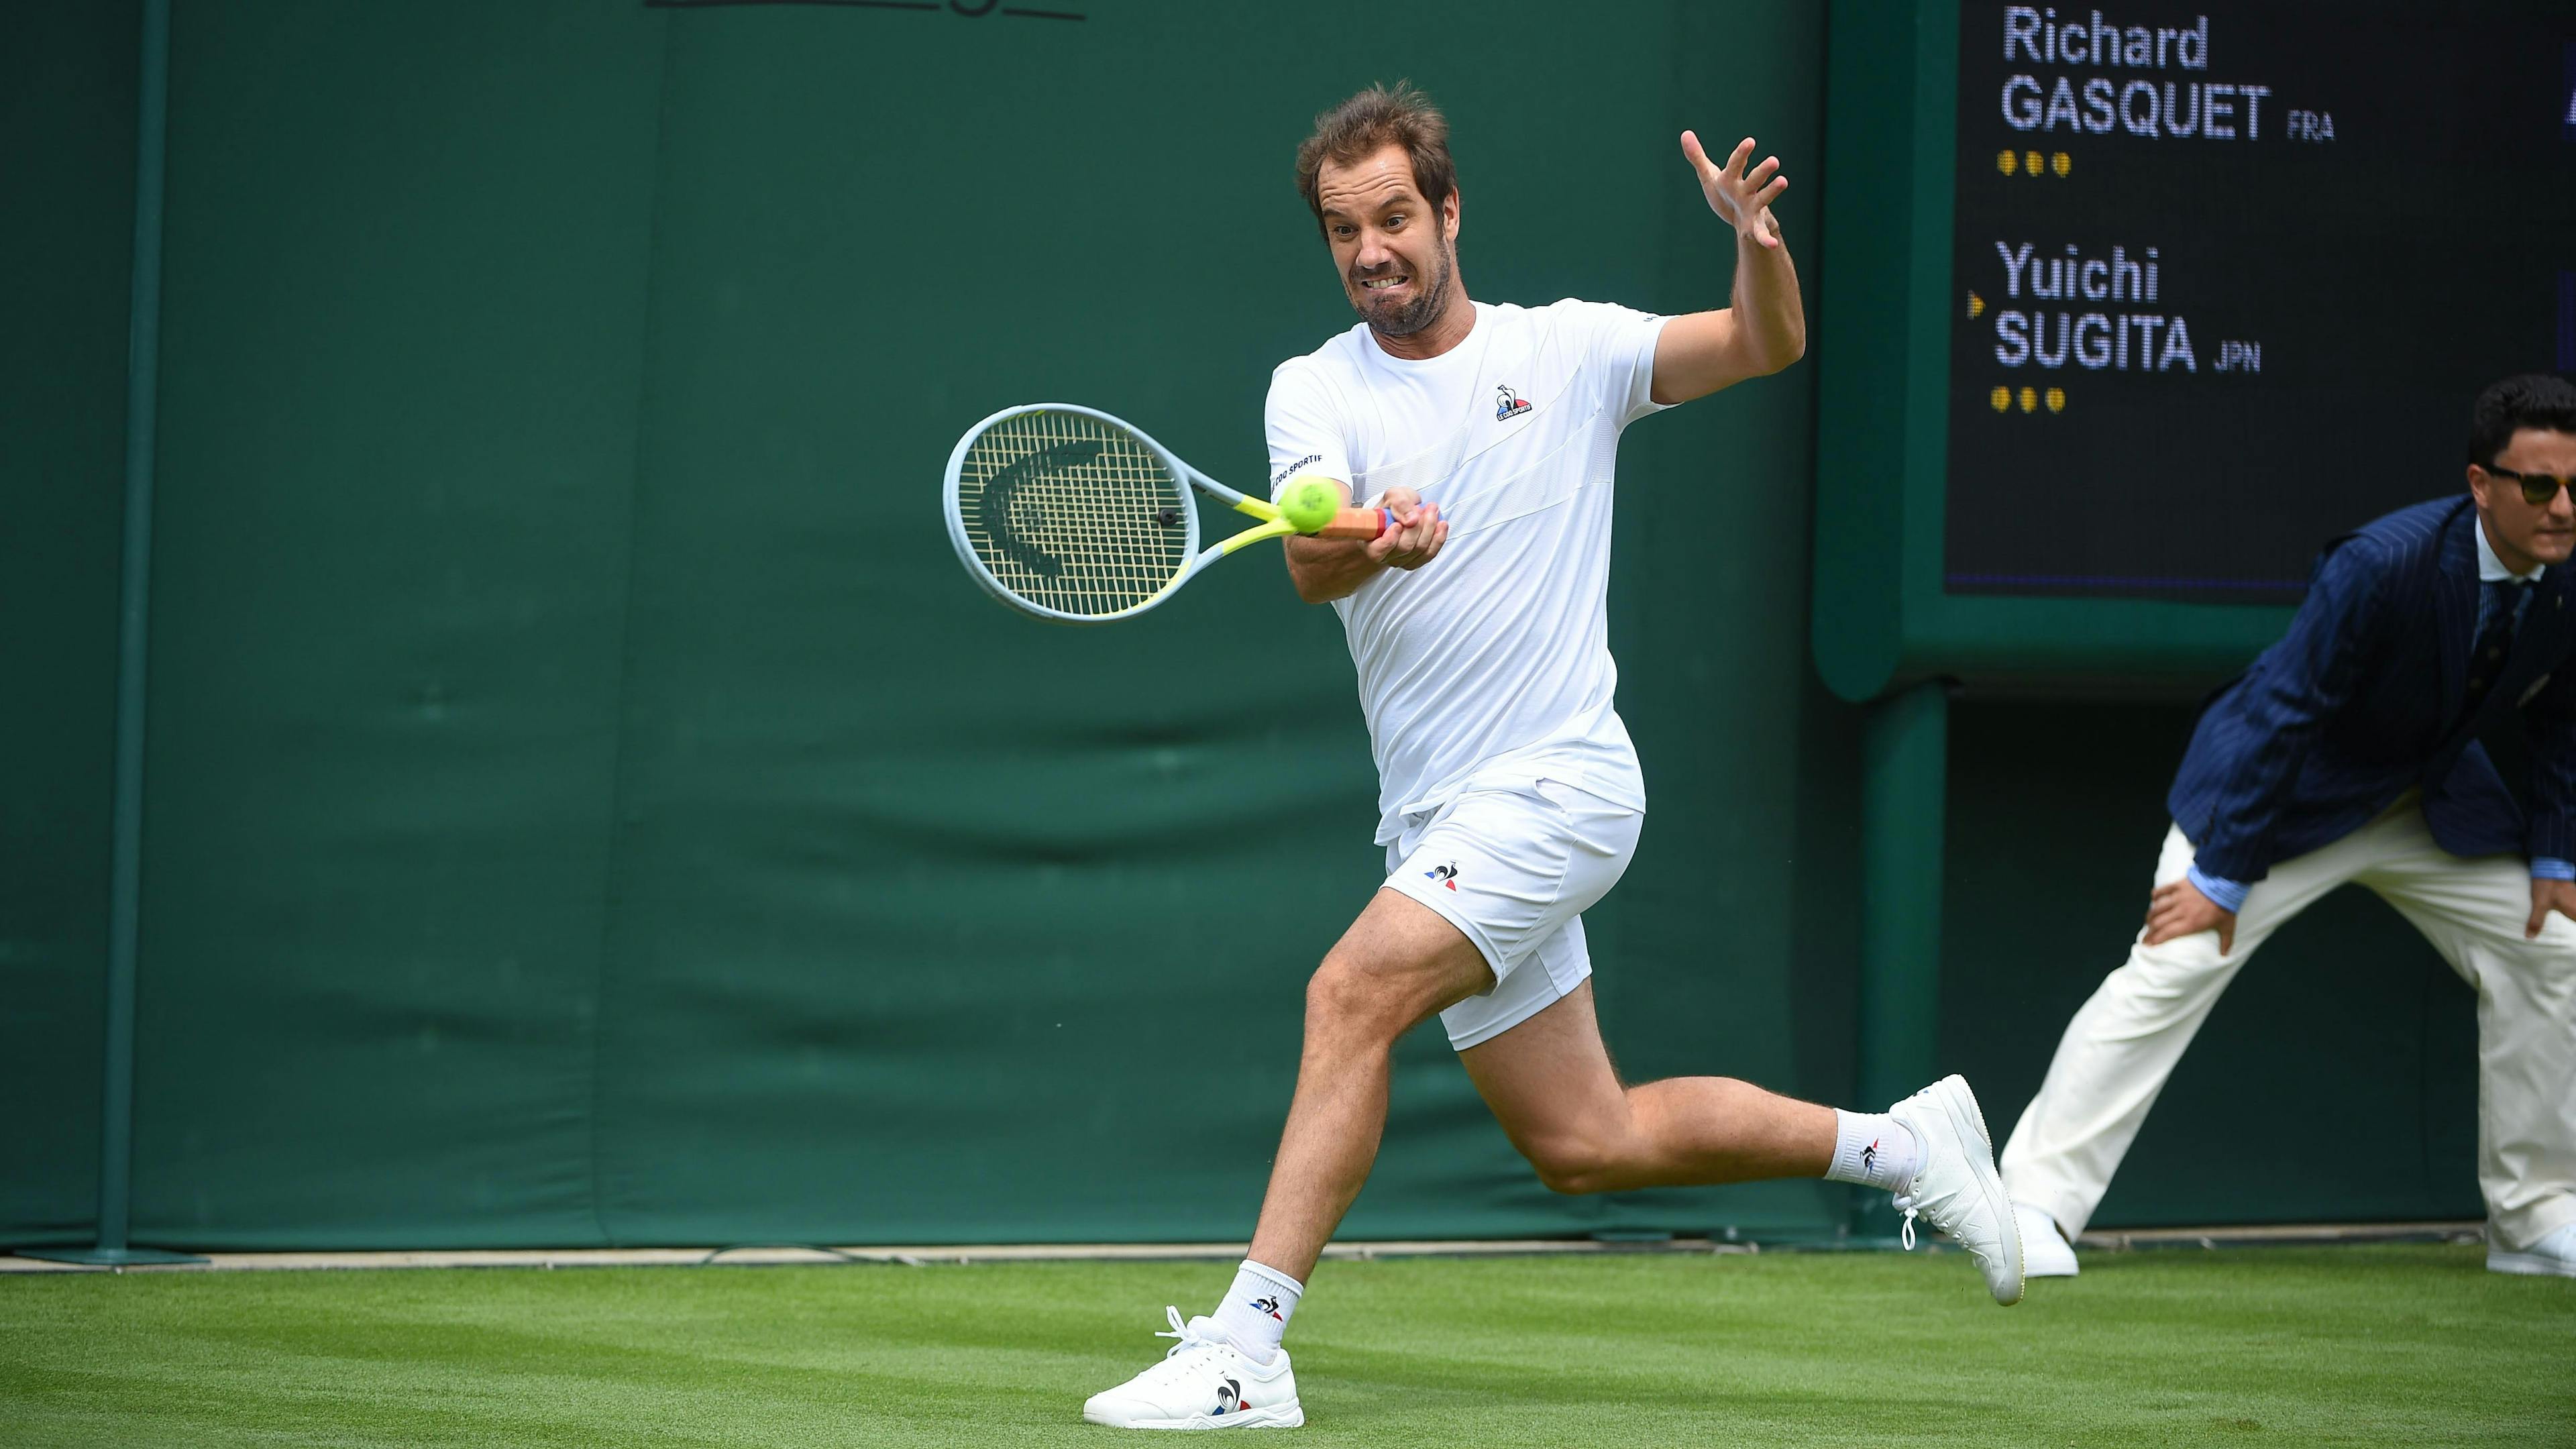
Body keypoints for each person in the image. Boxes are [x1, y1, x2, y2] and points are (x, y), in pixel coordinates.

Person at [1081, 84, 2022, 1434]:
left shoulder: (1570, 352)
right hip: (1437, 820)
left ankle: (1247, 1349)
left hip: (1564, 786)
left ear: (1449, 210)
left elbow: (1766, 345)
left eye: (1395, 216)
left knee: (1348, 997)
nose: (1371, 251)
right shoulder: (1314, 390)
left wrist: (1757, 244)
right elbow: (1305, 559)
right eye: (1345, 231)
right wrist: (1370, 536)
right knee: (1590, 1142)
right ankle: (1908, 1145)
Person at [1998, 373, 2576, 1281]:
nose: (2562, 507)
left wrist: (2554, 851)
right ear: (2481, 484)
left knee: (2553, 946)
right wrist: (2222, 876)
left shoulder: (2567, 574)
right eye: (2540, 487)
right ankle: (2031, 1203)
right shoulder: (2381, 564)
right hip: (2281, 796)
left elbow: (2563, 716)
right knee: (2175, 961)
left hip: (2427, 801)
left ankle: (2536, 1216)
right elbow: (2286, 710)